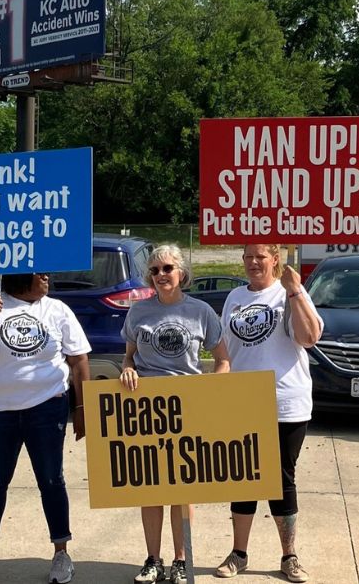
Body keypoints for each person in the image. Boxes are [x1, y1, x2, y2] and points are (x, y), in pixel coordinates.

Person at [0, 272, 91, 583]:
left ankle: (61, 553)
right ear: (18, 277)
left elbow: (79, 360)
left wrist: (82, 408)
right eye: (39, 272)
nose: (47, 277)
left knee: (52, 480)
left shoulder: (56, 310)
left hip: (46, 408)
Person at [119, 244, 232, 584]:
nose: (161, 275)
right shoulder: (138, 313)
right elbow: (128, 356)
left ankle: (182, 561)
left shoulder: (200, 312)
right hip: (146, 409)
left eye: (167, 268)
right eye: (154, 271)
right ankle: (153, 560)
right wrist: (128, 369)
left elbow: (223, 359)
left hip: (188, 408)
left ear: (181, 272)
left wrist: (213, 389)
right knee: (150, 487)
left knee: (182, 490)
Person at [214, 244, 323, 583]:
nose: (252, 263)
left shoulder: (288, 291)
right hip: (243, 400)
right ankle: (239, 553)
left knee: (280, 478)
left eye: (260, 256)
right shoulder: (234, 298)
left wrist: (294, 292)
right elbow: (225, 349)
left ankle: (289, 556)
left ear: (275, 259)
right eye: (247, 257)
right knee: (243, 477)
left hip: (286, 401)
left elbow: (310, 337)